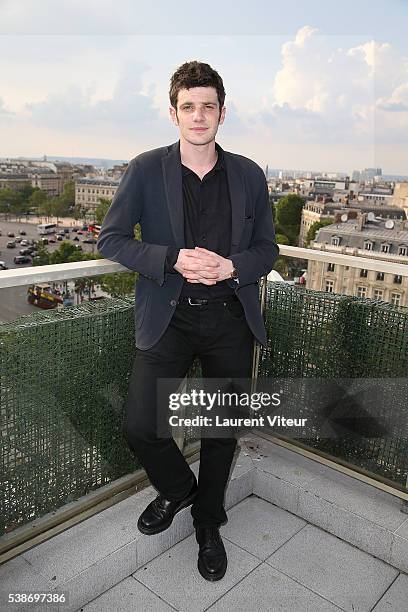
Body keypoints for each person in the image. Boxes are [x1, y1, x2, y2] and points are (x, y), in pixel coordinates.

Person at [97, 60, 279, 582]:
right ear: (173, 112)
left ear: (223, 112)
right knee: (140, 424)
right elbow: (111, 239)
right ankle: (181, 492)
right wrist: (171, 258)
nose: (198, 116)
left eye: (208, 106)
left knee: (222, 433)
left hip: (230, 318)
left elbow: (267, 247)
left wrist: (234, 266)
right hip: (168, 318)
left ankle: (207, 523)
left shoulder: (247, 173)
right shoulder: (145, 167)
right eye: (188, 107)